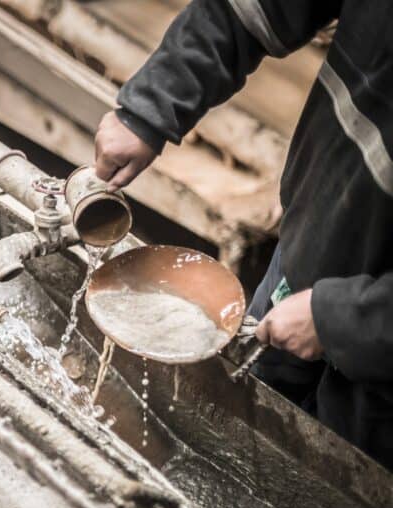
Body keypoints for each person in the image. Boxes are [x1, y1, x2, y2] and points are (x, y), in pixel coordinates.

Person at [93, 0, 392, 465]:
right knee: (218, 443)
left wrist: (343, 321)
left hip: (380, 387)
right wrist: (151, 106)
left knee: (321, 504)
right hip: (303, 263)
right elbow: (252, 10)